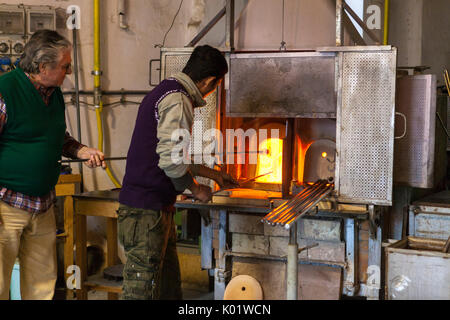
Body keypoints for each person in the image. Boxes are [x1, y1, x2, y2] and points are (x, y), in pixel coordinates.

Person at [118, 45, 237, 300]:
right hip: (146, 212)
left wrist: (211, 173)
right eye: (215, 85)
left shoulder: (166, 90)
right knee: (142, 291)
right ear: (210, 81)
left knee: (167, 288)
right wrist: (197, 189)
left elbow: (168, 156)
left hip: (154, 210)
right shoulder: (178, 99)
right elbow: (171, 163)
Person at [0, 30, 106, 300]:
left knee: (42, 285)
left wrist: (81, 151)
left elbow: (58, 137)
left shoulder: (53, 94)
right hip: (6, 205)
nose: (68, 72)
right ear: (42, 66)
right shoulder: (6, 91)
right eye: (65, 66)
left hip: (42, 205)